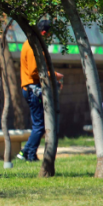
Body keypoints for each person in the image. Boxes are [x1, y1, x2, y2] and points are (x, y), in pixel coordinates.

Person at [17, 20, 64, 162]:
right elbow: (34, 72)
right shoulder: (33, 46)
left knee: (39, 124)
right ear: (44, 33)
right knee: (39, 126)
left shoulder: (31, 43)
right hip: (33, 89)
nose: (50, 37)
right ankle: (28, 153)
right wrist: (53, 75)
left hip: (31, 88)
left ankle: (28, 152)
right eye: (50, 34)